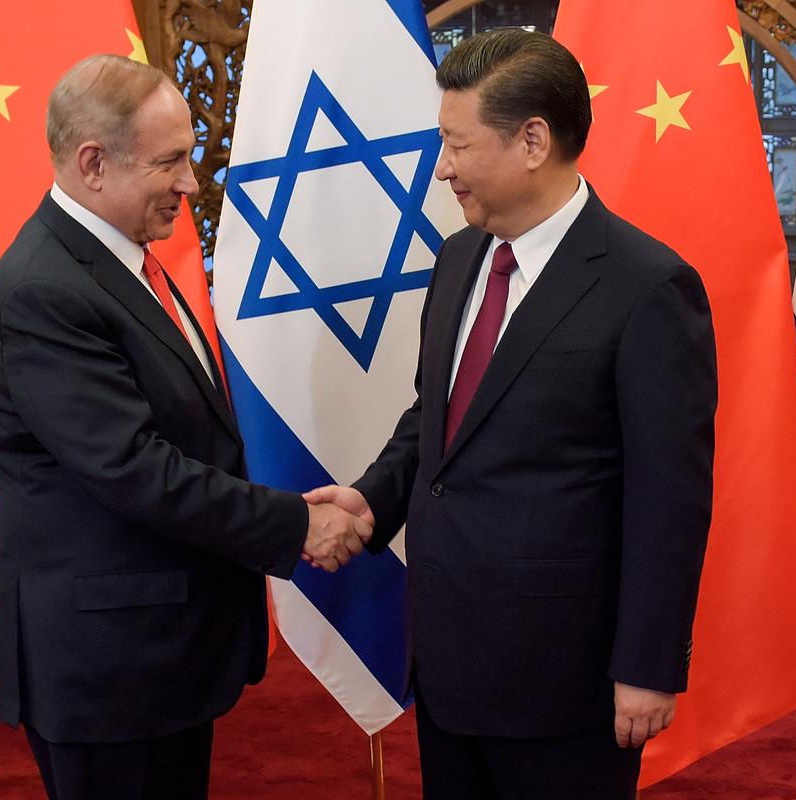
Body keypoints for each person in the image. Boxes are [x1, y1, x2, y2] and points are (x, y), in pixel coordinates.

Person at [305, 29, 717, 799]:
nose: (443, 168)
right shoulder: (460, 257)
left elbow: (672, 499)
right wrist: (372, 498)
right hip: (448, 658)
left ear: (534, 140)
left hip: (566, 679)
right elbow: (439, 418)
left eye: (457, 146)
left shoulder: (649, 288)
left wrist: (649, 667)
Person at [0, 54, 370, 800]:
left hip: (156, 653)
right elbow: (134, 469)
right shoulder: (42, 291)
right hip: (107, 668)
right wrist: (297, 526)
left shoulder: (120, 264)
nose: (192, 183)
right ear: (93, 163)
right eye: (172, 162)